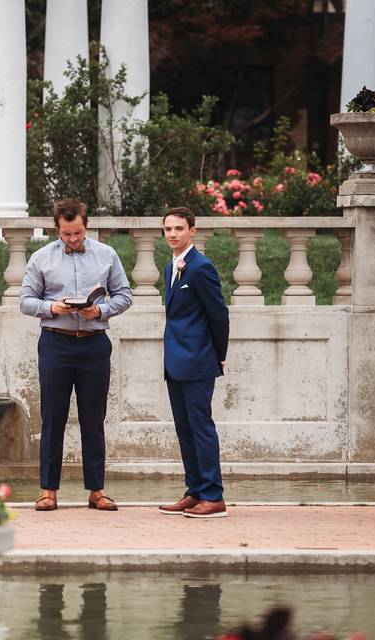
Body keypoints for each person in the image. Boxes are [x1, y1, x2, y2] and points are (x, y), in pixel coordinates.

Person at [20, 198, 133, 512]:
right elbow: (25, 300)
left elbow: (125, 295)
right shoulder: (41, 257)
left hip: (95, 343)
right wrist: (51, 307)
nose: (73, 239)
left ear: (87, 225)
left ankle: (96, 490)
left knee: (93, 419)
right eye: (67, 234)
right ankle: (48, 491)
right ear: (57, 228)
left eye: (78, 233)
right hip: (55, 343)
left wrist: (101, 309)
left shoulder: (106, 254)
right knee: (52, 417)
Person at [158, 207, 230, 519]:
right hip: (175, 361)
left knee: (201, 428)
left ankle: (214, 496)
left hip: (199, 360)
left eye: (178, 229)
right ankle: (195, 491)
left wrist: (219, 354)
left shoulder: (202, 268)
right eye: (167, 229)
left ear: (192, 231)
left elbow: (219, 315)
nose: (172, 234)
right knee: (184, 429)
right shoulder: (170, 267)